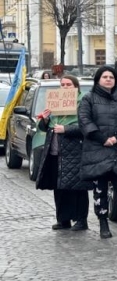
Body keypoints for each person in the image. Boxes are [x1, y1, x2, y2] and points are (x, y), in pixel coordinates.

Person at [78, 66, 117, 240]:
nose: (108, 79)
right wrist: (101, 138)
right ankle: (103, 224)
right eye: (104, 76)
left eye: (111, 77)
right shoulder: (88, 99)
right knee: (100, 190)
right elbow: (84, 120)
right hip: (96, 150)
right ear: (98, 79)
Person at [34, 75, 90, 231]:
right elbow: (45, 128)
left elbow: (86, 127)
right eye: (62, 84)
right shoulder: (55, 103)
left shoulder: (83, 103)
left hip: (74, 151)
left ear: (76, 87)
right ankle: (63, 219)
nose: (65, 87)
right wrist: (44, 120)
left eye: (68, 85)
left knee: (77, 187)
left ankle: (81, 220)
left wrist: (66, 129)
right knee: (59, 187)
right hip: (55, 151)